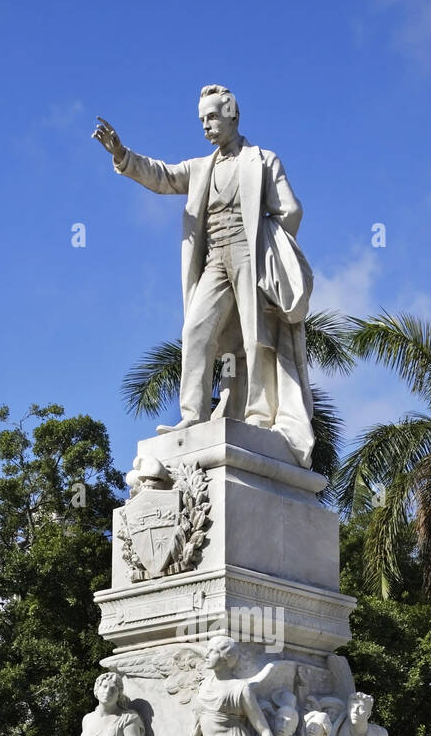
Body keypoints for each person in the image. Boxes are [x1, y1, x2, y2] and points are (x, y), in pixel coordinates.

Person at [94, 85, 315, 466]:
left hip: (250, 253)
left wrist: (268, 244)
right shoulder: (200, 168)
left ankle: (259, 415)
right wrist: (122, 154)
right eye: (201, 120)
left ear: (232, 114)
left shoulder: (262, 160)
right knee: (195, 331)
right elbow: (162, 176)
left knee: (255, 336)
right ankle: (193, 414)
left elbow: (290, 210)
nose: (206, 126)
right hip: (215, 260)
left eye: (212, 117)